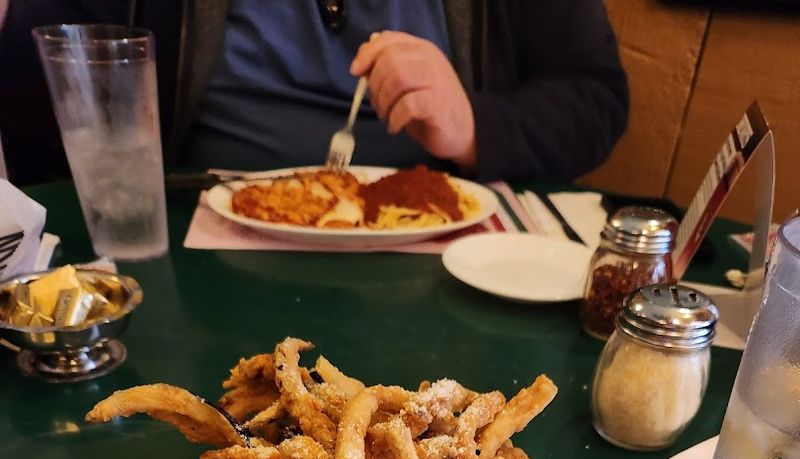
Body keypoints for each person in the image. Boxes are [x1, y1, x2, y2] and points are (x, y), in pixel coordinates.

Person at [0, 0, 628, 187]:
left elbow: (596, 101)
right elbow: (44, 80)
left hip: (449, 254)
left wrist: (475, 126)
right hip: (189, 236)